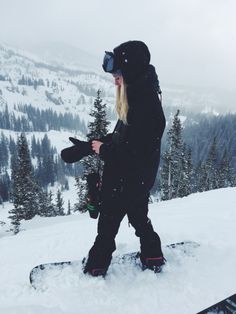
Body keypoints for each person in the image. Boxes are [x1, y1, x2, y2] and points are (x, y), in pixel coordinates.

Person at [82, 40, 166, 277]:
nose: (115, 79)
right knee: (140, 220)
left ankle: (96, 267)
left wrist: (103, 150)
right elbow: (127, 139)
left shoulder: (145, 107)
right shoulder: (140, 98)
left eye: (118, 73)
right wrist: (97, 143)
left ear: (130, 71)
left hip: (123, 182)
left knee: (107, 227)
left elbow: (133, 155)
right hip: (135, 183)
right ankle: (153, 256)